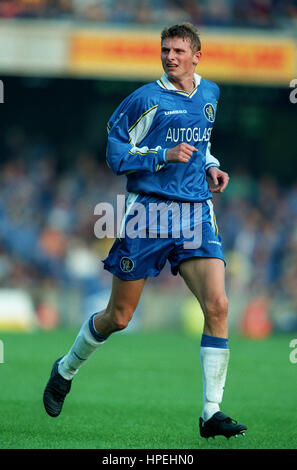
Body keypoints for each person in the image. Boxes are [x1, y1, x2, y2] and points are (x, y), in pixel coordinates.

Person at [43, 23, 247, 440]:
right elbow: (115, 154)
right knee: (119, 317)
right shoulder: (143, 99)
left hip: (194, 212)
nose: (169, 56)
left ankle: (211, 413)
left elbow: (202, 142)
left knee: (219, 304)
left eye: (177, 50)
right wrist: (162, 154)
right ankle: (65, 368)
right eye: (165, 49)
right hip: (148, 214)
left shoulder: (211, 94)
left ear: (196, 57)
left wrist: (210, 165)